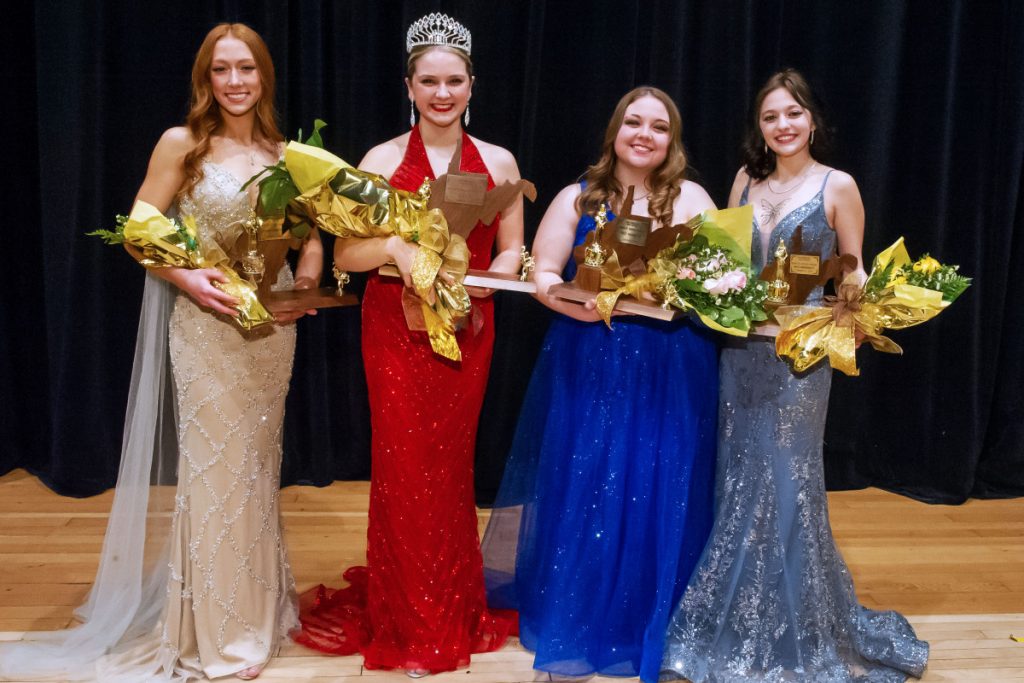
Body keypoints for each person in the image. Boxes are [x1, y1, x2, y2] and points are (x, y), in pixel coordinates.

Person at [0, 22, 321, 681]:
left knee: (257, 467)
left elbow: (312, 234)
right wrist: (187, 277)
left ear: (265, 76)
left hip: (272, 329)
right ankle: (215, 633)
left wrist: (308, 284)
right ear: (205, 80)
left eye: (246, 69)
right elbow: (140, 227)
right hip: (206, 325)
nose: (234, 81)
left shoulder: (287, 154)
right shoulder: (183, 144)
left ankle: (254, 612)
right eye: (221, 70)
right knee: (213, 473)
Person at [660, 69, 929, 682]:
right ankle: (731, 625)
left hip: (800, 359)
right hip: (742, 354)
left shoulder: (839, 185)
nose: (782, 125)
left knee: (787, 483)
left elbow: (852, 275)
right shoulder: (744, 181)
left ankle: (798, 630)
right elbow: (727, 264)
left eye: (793, 113)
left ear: (812, 120)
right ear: (760, 126)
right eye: (770, 116)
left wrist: (856, 315)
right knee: (737, 483)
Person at [294, 12, 520, 676]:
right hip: (395, 327)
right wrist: (394, 244)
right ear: (410, 86)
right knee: (403, 465)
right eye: (430, 81)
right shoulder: (382, 161)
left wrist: (486, 282)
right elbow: (346, 252)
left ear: (472, 85)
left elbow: (512, 250)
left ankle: (450, 603)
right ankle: (407, 613)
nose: (442, 93)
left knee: (449, 468)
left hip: (468, 329)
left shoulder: (500, 161)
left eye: (454, 81)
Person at [480, 86, 718, 683]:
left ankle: (652, 617)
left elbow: (723, 279)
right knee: (589, 480)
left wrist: (684, 288)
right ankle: (580, 613)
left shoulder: (692, 198)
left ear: (672, 139)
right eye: (633, 122)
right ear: (615, 130)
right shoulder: (577, 198)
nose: (645, 134)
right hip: (595, 355)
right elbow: (544, 275)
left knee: (658, 483)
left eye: (658, 126)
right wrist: (573, 307)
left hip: (672, 360)